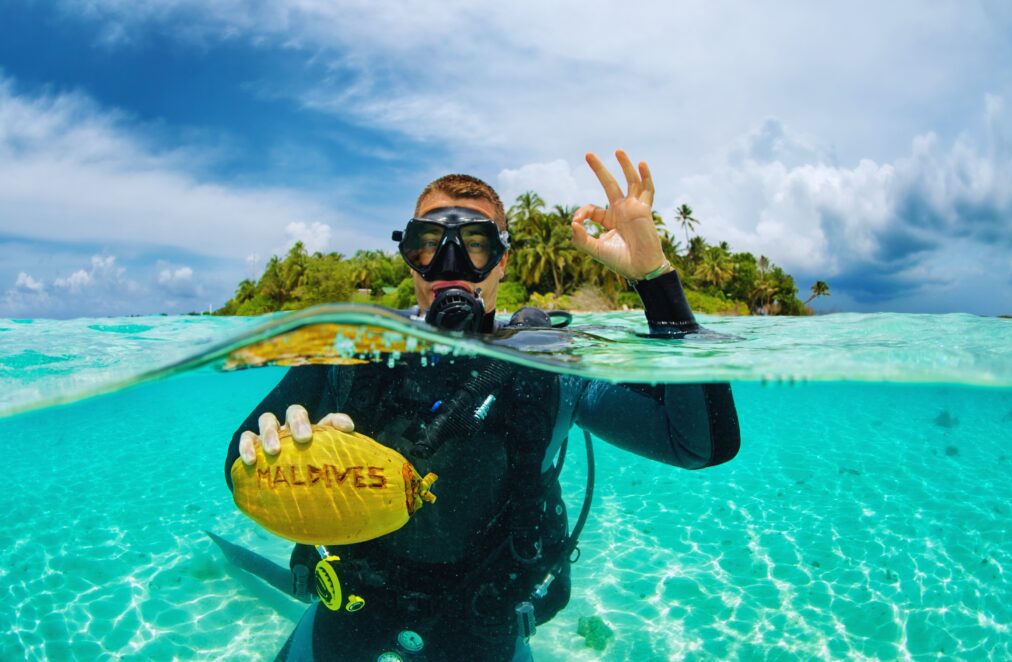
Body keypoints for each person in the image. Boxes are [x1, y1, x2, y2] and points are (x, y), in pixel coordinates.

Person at [224, 151, 741, 661]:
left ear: (502, 259)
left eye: (474, 245)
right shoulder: (354, 351)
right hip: (357, 597)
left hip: (483, 617)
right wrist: (280, 450)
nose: (449, 267)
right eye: (428, 245)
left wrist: (655, 277)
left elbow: (698, 445)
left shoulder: (550, 366)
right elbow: (237, 461)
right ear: (408, 256)